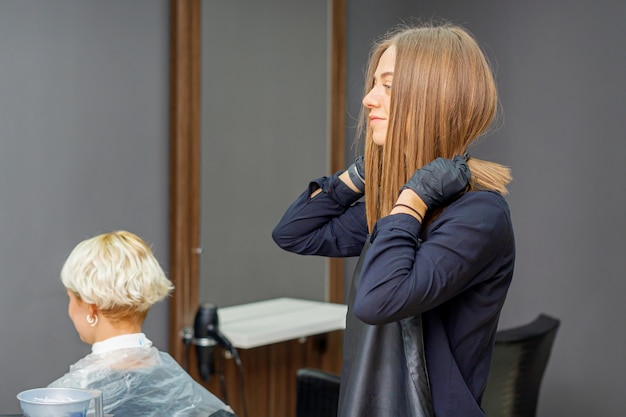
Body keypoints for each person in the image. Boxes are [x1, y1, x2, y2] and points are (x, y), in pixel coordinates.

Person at [272, 22, 515, 417]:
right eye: (373, 84)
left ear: (433, 100)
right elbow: (295, 232)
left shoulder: (479, 216)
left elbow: (379, 300)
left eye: (387, 86)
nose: (368, 99)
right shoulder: (396, 207)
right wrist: (364, 172)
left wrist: (413, 196)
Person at [48, 230, 237, 417]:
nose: (70, 310)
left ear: (91, 308)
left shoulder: (66, 398)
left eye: (70, 299)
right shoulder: (177, 383)